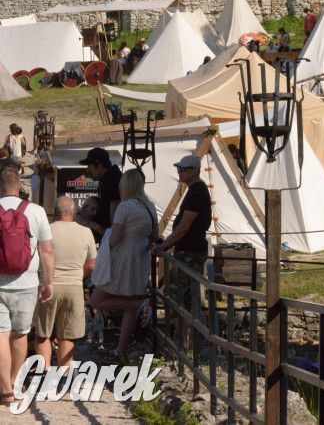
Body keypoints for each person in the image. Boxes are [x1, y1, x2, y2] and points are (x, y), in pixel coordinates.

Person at [89, 169, 158, 362]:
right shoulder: (149, 206)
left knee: (96, 300)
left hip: (122, 262)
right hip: (141, 261)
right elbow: (154, 236)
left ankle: (140, 304)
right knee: (131, 307)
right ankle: (121, 350)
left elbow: (114, 239)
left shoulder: (124, 207)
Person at [0, 167, 54, 406]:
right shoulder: (36, 211)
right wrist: (48, 281)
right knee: (20, 334)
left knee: (0, 334)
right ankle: (14, 382)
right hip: (28, 282)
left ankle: (4, 391)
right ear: (20, 187)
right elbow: (47, 251)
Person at [33, 197, 96, 374]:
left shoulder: (45, 231)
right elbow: (92, 264)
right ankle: (63, 375)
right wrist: (78, 276)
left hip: (47, 286)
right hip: (74, 287)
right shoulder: (86, 232)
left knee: (42, 333)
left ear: (54, 212)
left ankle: (44, 373)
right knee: (67, 335)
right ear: (75, 213)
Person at [152, 156, 212, 338]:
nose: (179, 171)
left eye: (183, 169)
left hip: (190, 252)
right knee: (186, 296)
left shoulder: (197, 192)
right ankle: (186, 340)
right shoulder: (195, 190)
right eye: (179, 168)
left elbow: (184, 227)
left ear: (195, 171)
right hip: (189, 251)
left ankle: (182, 340)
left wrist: (164, 244)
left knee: (173, 293)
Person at [78, 147, 122, 232]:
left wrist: (111, 234)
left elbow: (115, 206)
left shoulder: (112, 178)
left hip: (110, 232)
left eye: (89, 165)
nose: (87, 169)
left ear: (99, 165)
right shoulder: (108, 177)